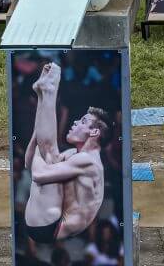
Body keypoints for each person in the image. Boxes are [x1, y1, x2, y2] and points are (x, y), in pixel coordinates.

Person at [23, 62, 109, 243]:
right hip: (43, 219)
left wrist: (41, 144)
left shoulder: (89, 161)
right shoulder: (73, 154)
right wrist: (37, 133)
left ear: (94, 132)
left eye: (83, 121)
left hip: (52, 226)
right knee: (49, 154)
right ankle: (43, 92)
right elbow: (28, 163)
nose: (76, 122)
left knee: (50, 154)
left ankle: (50, 90)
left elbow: (38, 174)